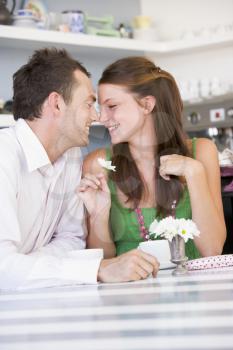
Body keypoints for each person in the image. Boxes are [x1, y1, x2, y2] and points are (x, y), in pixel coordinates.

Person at [0, 49, 159, 290]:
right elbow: (3, 269)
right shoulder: (4, 157)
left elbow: (72, 239)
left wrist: (24, 266)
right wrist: (97, 269)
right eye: (88, 104)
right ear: (56, 104)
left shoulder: (71, 156)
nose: (96, 117)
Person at [78, 56, 226, 260]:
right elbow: (104, 263)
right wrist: (98, 215)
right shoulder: (98, 164)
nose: (102, 118)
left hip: (193, 286)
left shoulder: (201, 152)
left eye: (111, 106)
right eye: (99, 108)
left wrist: (194, 173)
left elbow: (212, 250)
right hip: (131, 290)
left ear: (147, 105)